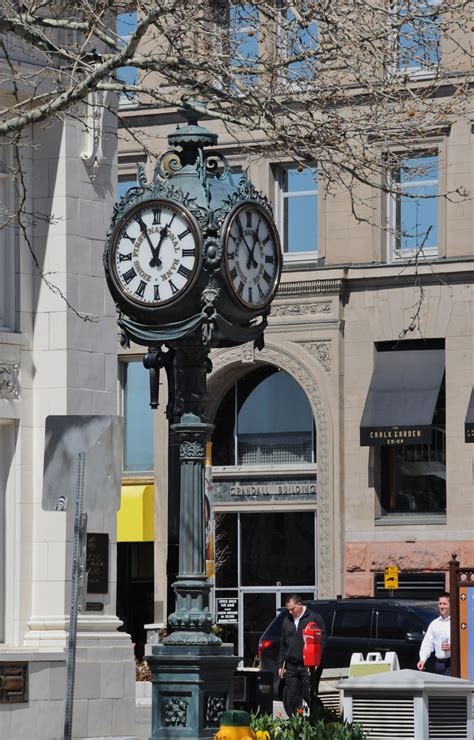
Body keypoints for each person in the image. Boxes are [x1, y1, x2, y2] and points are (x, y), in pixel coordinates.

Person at [278, 594, 327, 715]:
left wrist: (317, 658)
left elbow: (323, 639)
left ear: (300, 605)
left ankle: (318, 719)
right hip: (292, 666)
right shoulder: (286, 621)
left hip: (309, 665)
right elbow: (283, 644)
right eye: (288, 609)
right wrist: (281, 665)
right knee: (292, 696)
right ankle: (296, 723)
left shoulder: (314, 618)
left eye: (292, 609)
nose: (290, 612)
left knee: (309, 694)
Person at [417, 592, 451, 675]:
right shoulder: (434, 624)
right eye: (440, 604)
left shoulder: (457, 623)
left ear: (451, 604)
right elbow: (427, 643)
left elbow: (466, 643)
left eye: (445, 604)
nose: (442, 606)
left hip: (453, 663)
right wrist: (422, 659)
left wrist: (453, 648)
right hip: (439, 664)